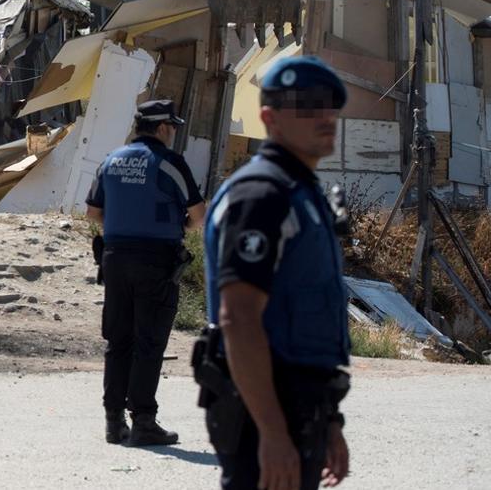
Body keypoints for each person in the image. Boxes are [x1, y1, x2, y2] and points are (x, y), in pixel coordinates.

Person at [200, 55, 352, 489]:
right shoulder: (262, 194)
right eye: (306, 106)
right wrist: (270, 431)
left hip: (301, 406)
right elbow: (239, 318)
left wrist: (330, 421)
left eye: (330, 105)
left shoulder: (301, 194)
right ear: (270, 118)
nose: (325, 116)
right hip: (264, 409)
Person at [86, 99, 206, 446]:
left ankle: (113, 422)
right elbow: (197, 215)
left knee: (118, 340)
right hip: (155, 260)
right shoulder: (170, 163)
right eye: (173, 127)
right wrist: (178, 226)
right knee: (149, 341)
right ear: (163, 127)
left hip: (115, 257)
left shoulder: (111, 161)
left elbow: (94, 212)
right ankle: (143, 421)